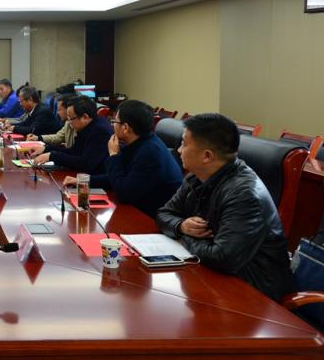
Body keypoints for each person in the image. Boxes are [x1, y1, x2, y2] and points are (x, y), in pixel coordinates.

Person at [156, 113, 295, 301]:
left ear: (207, 156)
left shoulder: (244, 194)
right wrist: (181, 226)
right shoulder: (197, 176)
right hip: (211, 273)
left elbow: (223, 258)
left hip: (254, 292)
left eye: (184, 144)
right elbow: (164, 213)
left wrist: (183, 237)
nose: (179, 150)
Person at [64, 100, 182, 217]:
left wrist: (113, 155)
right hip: (137, 208)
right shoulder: (139, 142)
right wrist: (84, 181)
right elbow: (119, 177)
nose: (112, 125)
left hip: (150, 218)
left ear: (125, 128)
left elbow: (124, 194)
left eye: (115, 121)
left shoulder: (149, 152)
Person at [30, 95, 113, 176]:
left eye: (71, 119)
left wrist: (52, 156)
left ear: (85, 117)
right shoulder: (86, 127)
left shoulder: (100, 131)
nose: (69, 123)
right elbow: (74, 151)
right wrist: (46, 150)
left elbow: (86, 164)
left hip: (95, 180)